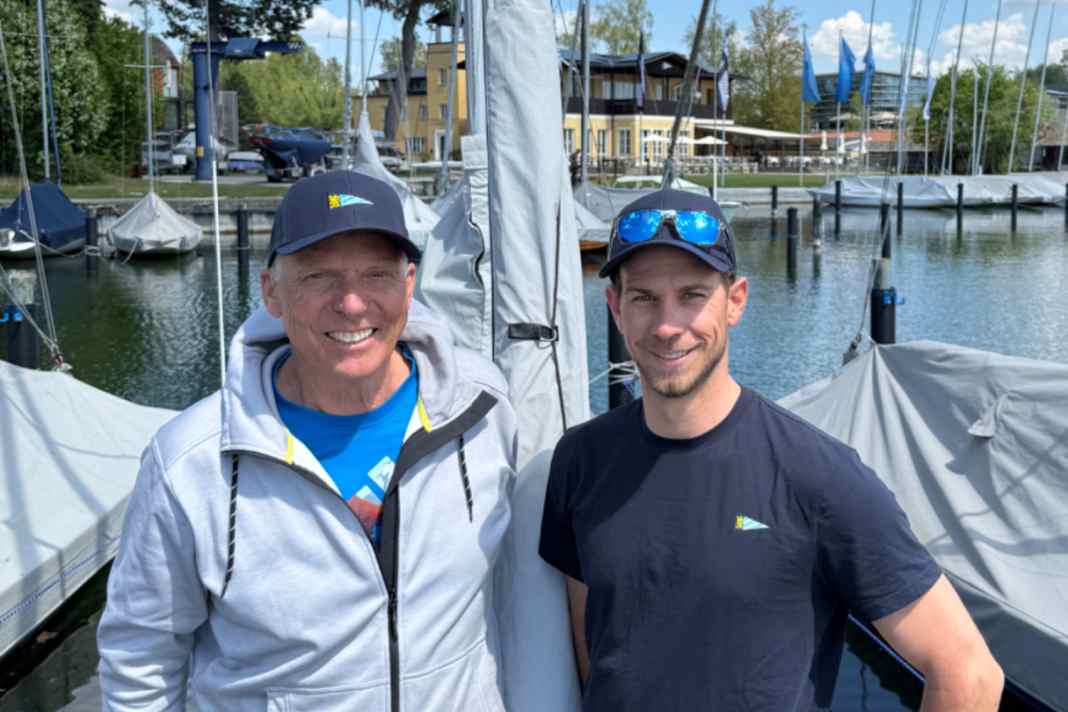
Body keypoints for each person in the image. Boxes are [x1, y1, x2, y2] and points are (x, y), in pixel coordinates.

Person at [539, 189, 1004, 711]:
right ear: (615, 308)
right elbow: (594, 650)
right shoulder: (579, 461)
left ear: (735, 300)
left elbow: (968, 671)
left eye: (692, 295)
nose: (668, 327)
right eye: (644, 298)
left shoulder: (819, 477)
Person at [98, 171, 517, 711]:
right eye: (318, 276)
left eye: (376, 275)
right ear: (271, 290)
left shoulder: (480, 408)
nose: (351, 303)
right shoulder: (192, 461)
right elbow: (141, 659)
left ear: (409, 283)